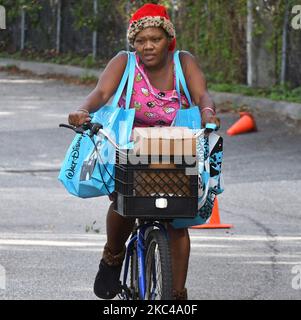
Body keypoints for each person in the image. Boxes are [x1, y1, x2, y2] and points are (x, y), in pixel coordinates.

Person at [68, 3, 220, 300]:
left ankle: (176, 294)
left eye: (155, 39)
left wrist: (208, 112)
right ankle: (112, 257)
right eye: (140, 40)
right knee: (125, 202)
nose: (148, 46)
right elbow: (101, 92)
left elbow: (202, 93)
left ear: (168, 39)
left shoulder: (183, 62)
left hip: (177, 146)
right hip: (131, 146)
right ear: (133, 42)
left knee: (179, 220)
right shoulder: (124, 62)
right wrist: (82, 110)